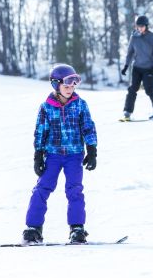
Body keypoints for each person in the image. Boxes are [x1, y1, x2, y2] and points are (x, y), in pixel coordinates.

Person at [22, 64, 98, 244]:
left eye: (73, 85)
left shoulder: (80, 105)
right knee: (42, 189)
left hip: (74, 155)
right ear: (56, 85)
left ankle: (77, 228)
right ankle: (34, 228)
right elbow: (40, 131)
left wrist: (92, 150)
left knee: (75, 190)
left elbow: (88, 127)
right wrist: (38, 155)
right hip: (53, 155)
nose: (70, 89)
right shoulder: (46, 107)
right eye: (66, 85)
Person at [121, 15, 153, 120]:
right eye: (138, 26)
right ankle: (127, 112)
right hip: (137, 68)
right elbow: (130, 53)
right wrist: (126, 66)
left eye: (142, 26)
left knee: (150, 90)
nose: (140, 28)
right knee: (132, 89)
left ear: (146, 26)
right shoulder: (133, 37)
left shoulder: (152, 37)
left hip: (149, 68)